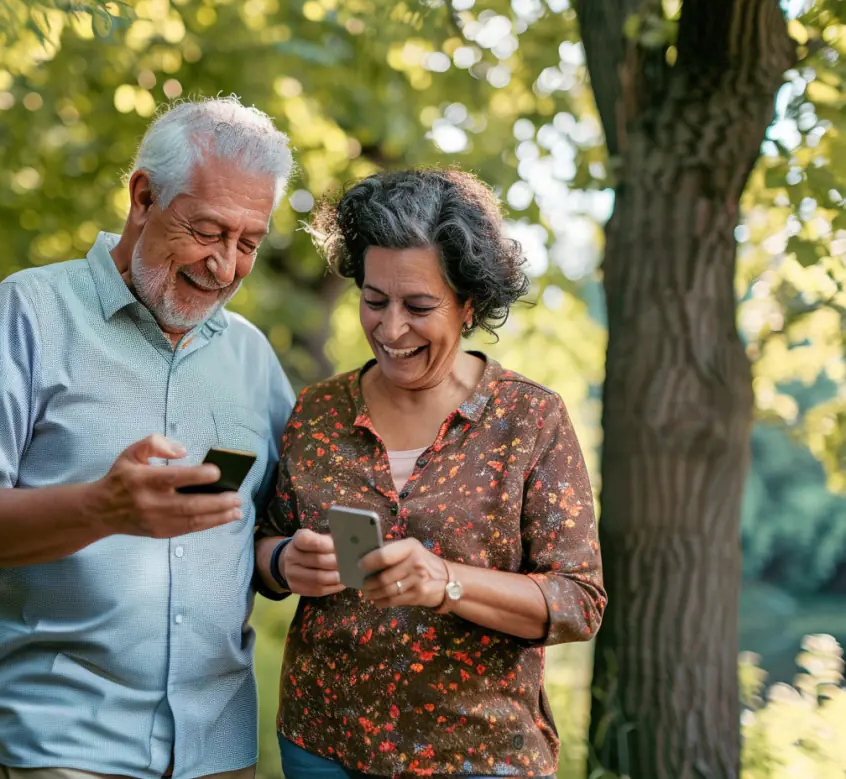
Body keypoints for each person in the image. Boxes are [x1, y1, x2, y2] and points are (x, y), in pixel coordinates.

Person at [0, 97, 296, 779]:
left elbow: (267, 535)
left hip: (218, 745)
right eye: (207, 230)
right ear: (143, 196)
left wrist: (296, 558)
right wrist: (103, 508)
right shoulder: (26, 314)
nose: (226, 266)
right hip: (61, 741)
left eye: (249, 243)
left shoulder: (253, 359)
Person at [255, 169, 606, 778]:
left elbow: (578, 601)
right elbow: (261, 547)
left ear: (469, 305)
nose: (391, 331)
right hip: (322, 745)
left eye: (418, 307)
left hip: (478, 752)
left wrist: (447, 581)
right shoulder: (316, 411)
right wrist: (284, 561)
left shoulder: (530, 418)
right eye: (374, 301)